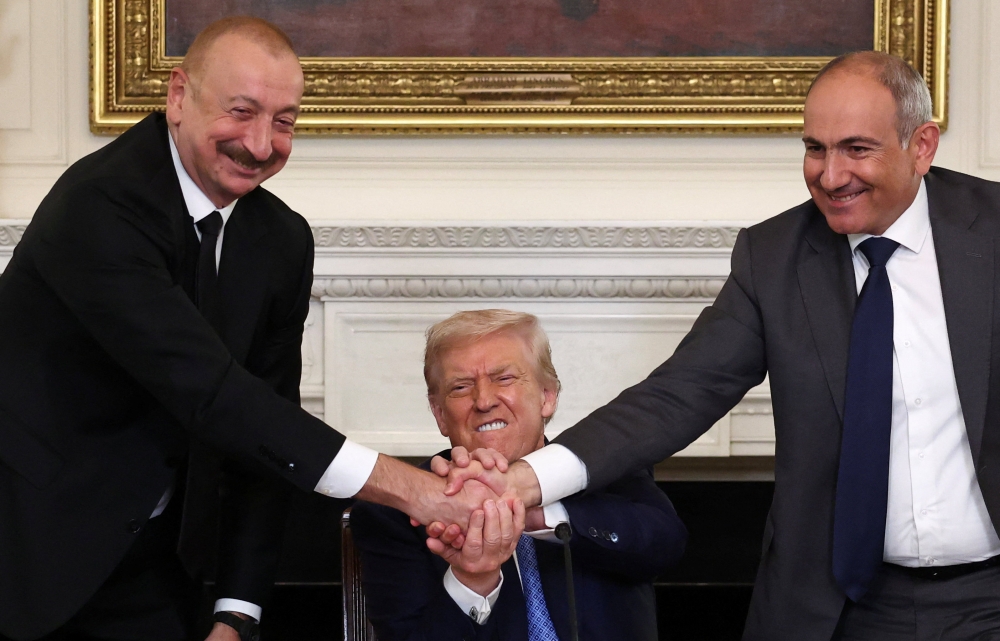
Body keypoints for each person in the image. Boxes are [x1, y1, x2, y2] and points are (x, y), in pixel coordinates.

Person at [436, 51, 1000, 640]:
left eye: (857, 149)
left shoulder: (991, 231)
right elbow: (677, 395)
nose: (831, 176)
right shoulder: (775, 255)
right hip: (840, 608)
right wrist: (524, 480)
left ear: (923, 145)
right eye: (815, 149)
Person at [0, 17, 499, 641]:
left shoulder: (279, 240)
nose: (261, 145)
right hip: (22, 551)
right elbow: (215, 395)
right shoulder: (100, 207)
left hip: (155, 567)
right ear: (178, 96)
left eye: (284, 121)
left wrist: (237, 612)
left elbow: (265, 430)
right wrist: (416, 492)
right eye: (241, 112)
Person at [351, 310, 687, 641]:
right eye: (461, 387)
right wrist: (472, 580)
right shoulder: (398, 512)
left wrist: (535, 513)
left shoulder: (603, 467)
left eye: (504, 378)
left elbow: (666, 547)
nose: (483, 401)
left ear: (547, 396)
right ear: (440, 415)